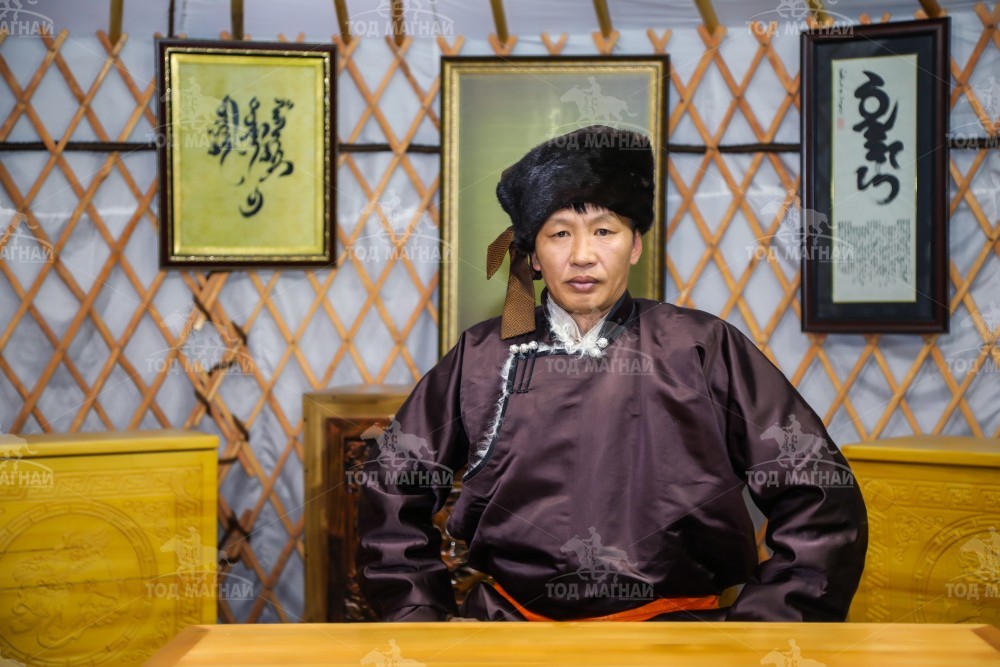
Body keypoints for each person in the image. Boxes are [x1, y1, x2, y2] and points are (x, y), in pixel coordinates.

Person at [356, 124, 868, 622]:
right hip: (512, 637)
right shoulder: (482, 354)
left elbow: (818, 493)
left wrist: (767, 625)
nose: (582, 256)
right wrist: (419, 614)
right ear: (533, 256)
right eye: (560, 234)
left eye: (604, 231)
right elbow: (394, 484)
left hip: (677, 642)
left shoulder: (702, 347)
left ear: (635, 244)